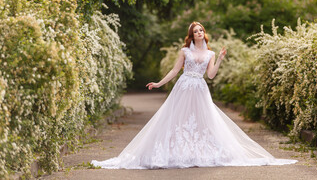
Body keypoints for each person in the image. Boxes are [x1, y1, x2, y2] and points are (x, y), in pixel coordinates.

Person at [91, 22, 297, 169]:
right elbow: (174, 71)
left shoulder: (211, 53)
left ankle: (200, 152)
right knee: (175, 119)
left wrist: (221, 59)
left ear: (204, 33)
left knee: (203, 122)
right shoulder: (184, 51)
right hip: (183, 88)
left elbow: (211, 75)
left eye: (201, 30)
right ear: (191, 35)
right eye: (195, 31)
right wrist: (158, 83)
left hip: (200, 89)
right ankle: (173, 152)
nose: (198, 32)